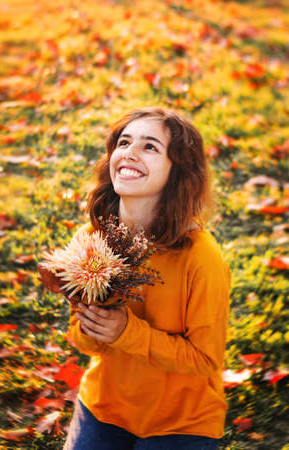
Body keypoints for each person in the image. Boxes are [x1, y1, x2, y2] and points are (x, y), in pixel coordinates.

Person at [63, 107, 231, 450]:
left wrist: (128, 333)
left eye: (150, 147)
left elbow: (206, 360)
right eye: (124, 142)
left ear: (177, 172)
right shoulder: (90, 238)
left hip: (182, 422)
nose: (129, 152)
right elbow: (85, 343)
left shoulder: (200, 257)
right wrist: (92, 323)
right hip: (104, 407)